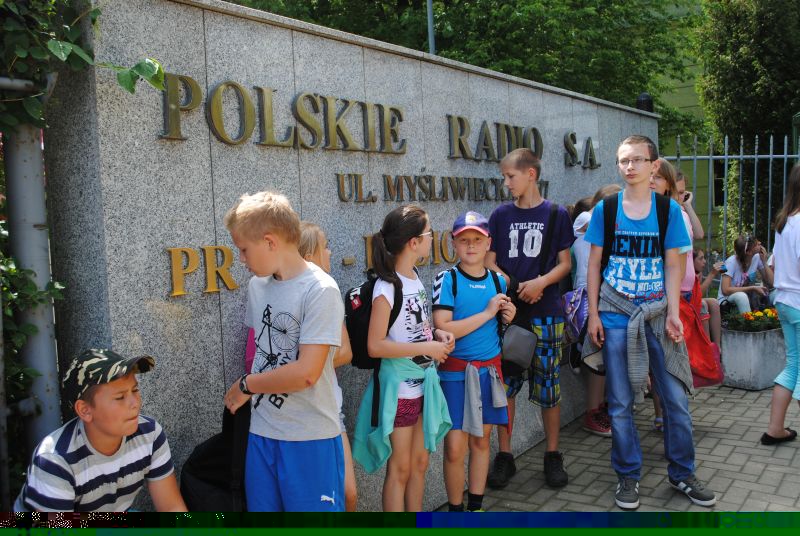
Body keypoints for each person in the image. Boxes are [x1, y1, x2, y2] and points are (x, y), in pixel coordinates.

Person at [584, 135, 716, 510]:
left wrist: (673, 312)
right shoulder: (607, 210)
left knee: (675, 398)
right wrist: (594, 314)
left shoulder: (667, 211)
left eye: (638, 160)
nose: (630, 167)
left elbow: (674, 265)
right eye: (623, 160)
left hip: (658, 313)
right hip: (615, 311)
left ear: (654, 165)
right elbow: (593, 264)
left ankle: (682, 473)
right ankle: (628, 476)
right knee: (620, 402)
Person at [222, 191, 345, 512]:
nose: (242, 260)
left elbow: (307, 373)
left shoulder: (321, 289)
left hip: (310, 438)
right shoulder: (257, 287)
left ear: (269, 241)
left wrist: (247, 385)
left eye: (244, 250)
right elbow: (262, 351)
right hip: (262, 433)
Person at [352, 205, 455, 512]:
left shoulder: (415, 276)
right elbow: (375, 346)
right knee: (400, 469)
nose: (432, 238)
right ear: (413, 242)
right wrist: (428, 349)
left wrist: (437, 336)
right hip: (399, 392)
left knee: (420, 463)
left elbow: (414, 328)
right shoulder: (387, 286)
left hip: (424, 385)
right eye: (429, 233)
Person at [485, 148, 575, 489]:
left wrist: (541, 283)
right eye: (505, 177)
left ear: (530, 174)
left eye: (510, 176)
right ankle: (505, 456)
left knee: (549, 384)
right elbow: (490, 262)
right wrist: (517, 286)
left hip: (547, 314)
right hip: (511, 314)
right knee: (506, 385)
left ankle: (552, 454)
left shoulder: (555, 213)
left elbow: (565, 264)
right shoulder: (500, 215)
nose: (507, 183)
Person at [14, 349, 187, 512]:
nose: (135, 403)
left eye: (135, 390)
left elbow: (172, 508)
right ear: (85, 410)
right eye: (120, 397)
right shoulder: (55, 460)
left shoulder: (150, 434)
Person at [432, 211, 515, 512]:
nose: (471, 246)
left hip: (489, 372)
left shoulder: (498, 281)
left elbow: (497, 322)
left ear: (488, 243)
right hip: (455, 374)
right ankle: (455, 511)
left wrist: (507, 316)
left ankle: (475, 508)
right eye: (464, 240)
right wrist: (488, 313)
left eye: (477, 240)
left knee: (481, 441)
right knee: (455, 448)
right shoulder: (447, 279)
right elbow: (444, 327)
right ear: (453, 244)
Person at [298, 221, 358, 512]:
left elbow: (346, 352)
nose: (330, 252)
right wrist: (303, 366)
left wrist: (309, 362)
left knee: (348, 494)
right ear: (309, 255)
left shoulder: (329, 293)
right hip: (298, 418)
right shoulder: (277, 295)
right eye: (325, 246)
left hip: (331, 410)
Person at [572, 184, 622, 437]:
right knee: (597, 356)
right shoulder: (588, 222)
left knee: (605, 357)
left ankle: (602, 407)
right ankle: (593, 412)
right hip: (589, 300)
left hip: (605, 298)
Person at [761, 163, 800, 446]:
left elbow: (775, 264)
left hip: (785, 301)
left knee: (793, 365)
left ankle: (775, 429)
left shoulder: (785, 222)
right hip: (798, 301)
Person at [718, 235, 773, 313]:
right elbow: (725, 290)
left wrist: (764, 262)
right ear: (749, 252)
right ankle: (748, 320)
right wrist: (752, 288)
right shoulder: (730, 262)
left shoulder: (756, 257)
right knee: (741, 296)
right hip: (726, 302)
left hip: (747, 298)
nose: (760, 243)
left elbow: (771, 282)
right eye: (756, 244)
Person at [693, 248, 723, 346]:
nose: (704, 261)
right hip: (685, 303)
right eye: (700, 258)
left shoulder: (698, 272)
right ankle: (708, 346)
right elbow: (698, 295)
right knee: (703, 304)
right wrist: (712, 274)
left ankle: (717, 347)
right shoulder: (689, 273)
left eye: (704, 258)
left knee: (714, 302)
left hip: (694, 300)